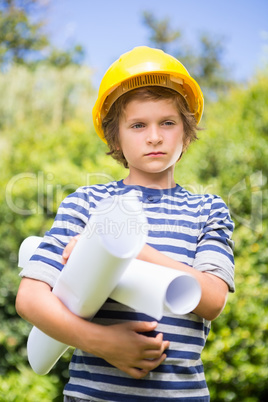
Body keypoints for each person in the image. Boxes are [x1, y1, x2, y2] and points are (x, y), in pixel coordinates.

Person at [16, 46, 235, 401]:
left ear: (186, 130)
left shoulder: (208, 210)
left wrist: (134, 251)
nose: (154, 136)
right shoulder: (86, 203)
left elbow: (211, 299)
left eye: (168, 122)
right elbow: (30, 299)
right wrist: (105, 343)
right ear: (115, 136)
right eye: (137, 125)